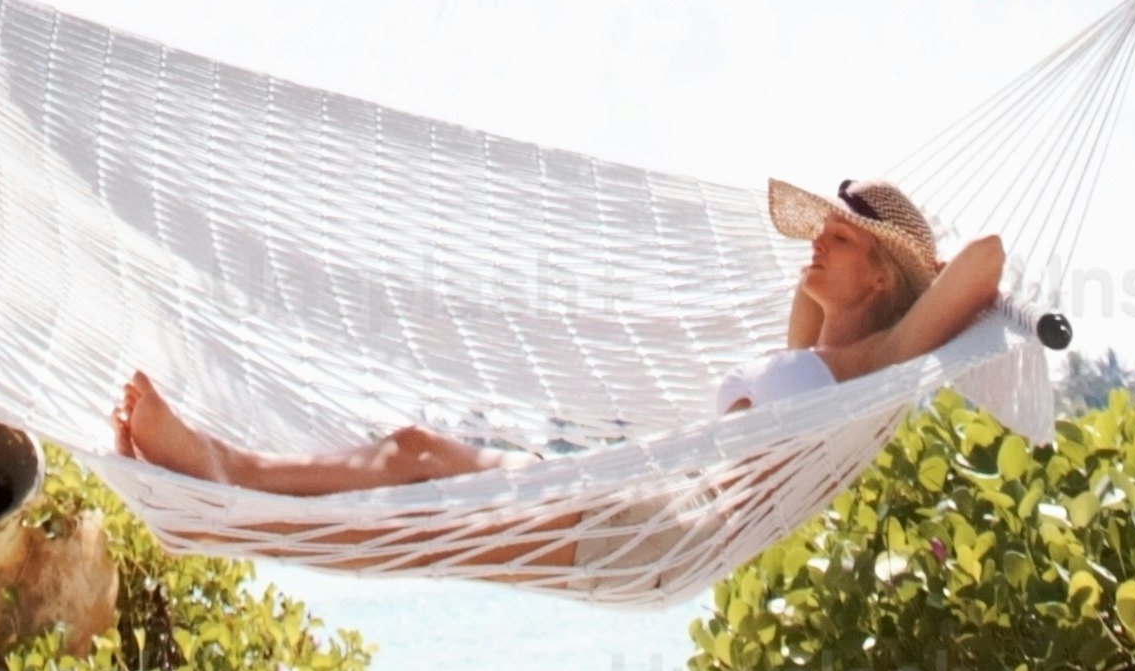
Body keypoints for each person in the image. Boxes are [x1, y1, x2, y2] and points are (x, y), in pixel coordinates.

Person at [111, 177, 1008, 497]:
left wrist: (898, 264)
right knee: (413, 458)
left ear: (884, 275)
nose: (813, 241)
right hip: (636, 488)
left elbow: (984, 259)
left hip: (659, 518)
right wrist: (845, 249)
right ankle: (224, 470)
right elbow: (815, 305)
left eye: (836, 238)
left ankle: (222, 471)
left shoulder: (875, 364)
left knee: (418, 463)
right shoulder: (807, 353)